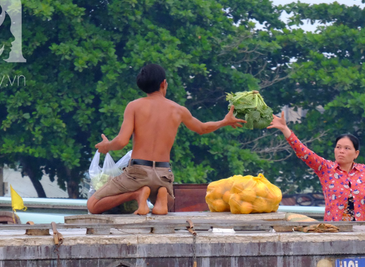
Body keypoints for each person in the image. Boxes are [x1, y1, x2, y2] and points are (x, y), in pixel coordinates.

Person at [87, 64, 246, 216]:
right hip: (163, 174)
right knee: (167, 206)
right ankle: (162, 196)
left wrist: (106, 146)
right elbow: (202, 128)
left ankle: (137, 194)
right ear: (163, 84)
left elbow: (122, 142)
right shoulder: (178, 110)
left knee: (92, 205)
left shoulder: (134, 106)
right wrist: (224, 122)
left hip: (138, 173)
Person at [268, 111, 365, 221]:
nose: (341, 151)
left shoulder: (364, 172)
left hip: (361, 229)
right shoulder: (326, 168)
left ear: (356, 153)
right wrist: (284, 128)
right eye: (338, 147)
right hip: (334, 229)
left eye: (346, 148)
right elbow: (303, 152)